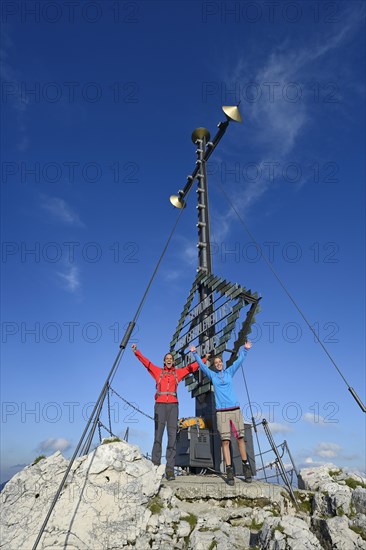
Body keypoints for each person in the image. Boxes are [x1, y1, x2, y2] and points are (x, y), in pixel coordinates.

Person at [131, 344, 207, 481]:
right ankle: (155, 466)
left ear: (173, 361)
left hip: (173, 406)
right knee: (158, 436)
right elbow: (146, 363)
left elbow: (192, 367)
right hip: (160, 405)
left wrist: (205, 359)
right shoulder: (158, 371)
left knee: (172, 438)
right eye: (167, 358)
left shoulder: (178, 372)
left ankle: (170, 470)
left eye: (171, 358)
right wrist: (137, 351)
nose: (169, 360)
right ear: (164, 361)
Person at [190, 342, 253, 485]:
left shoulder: (229, 372)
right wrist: (195, 353)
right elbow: (202, 366)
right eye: (216, 362)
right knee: (225, 441)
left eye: (220, 362)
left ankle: (246, 466)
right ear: (214, 365)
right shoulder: (213, 375)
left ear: (223, 364)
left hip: (235, 410)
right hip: (221, 412)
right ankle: (229, 470)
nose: (218, 364)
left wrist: (246, 349)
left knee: (240, 439)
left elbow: (239, 360)